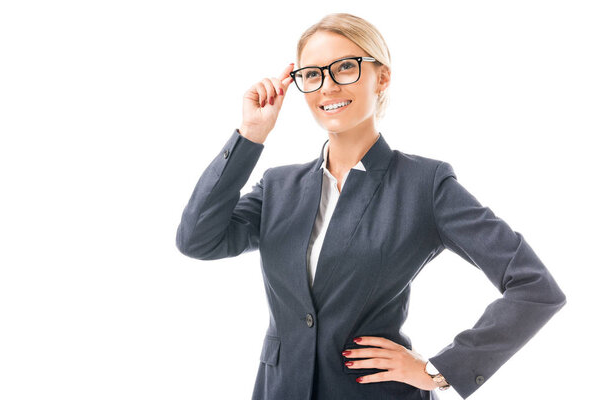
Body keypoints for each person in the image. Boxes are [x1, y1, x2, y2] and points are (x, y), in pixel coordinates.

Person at [175, 12, 566, 400]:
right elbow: (197, 239)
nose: (327, 86)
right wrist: (250, 136)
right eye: (312, 74)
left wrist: (440, 371)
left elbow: (534, 286)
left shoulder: (424, 185)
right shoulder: (279, 186)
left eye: (345, 67)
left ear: (382, 76)